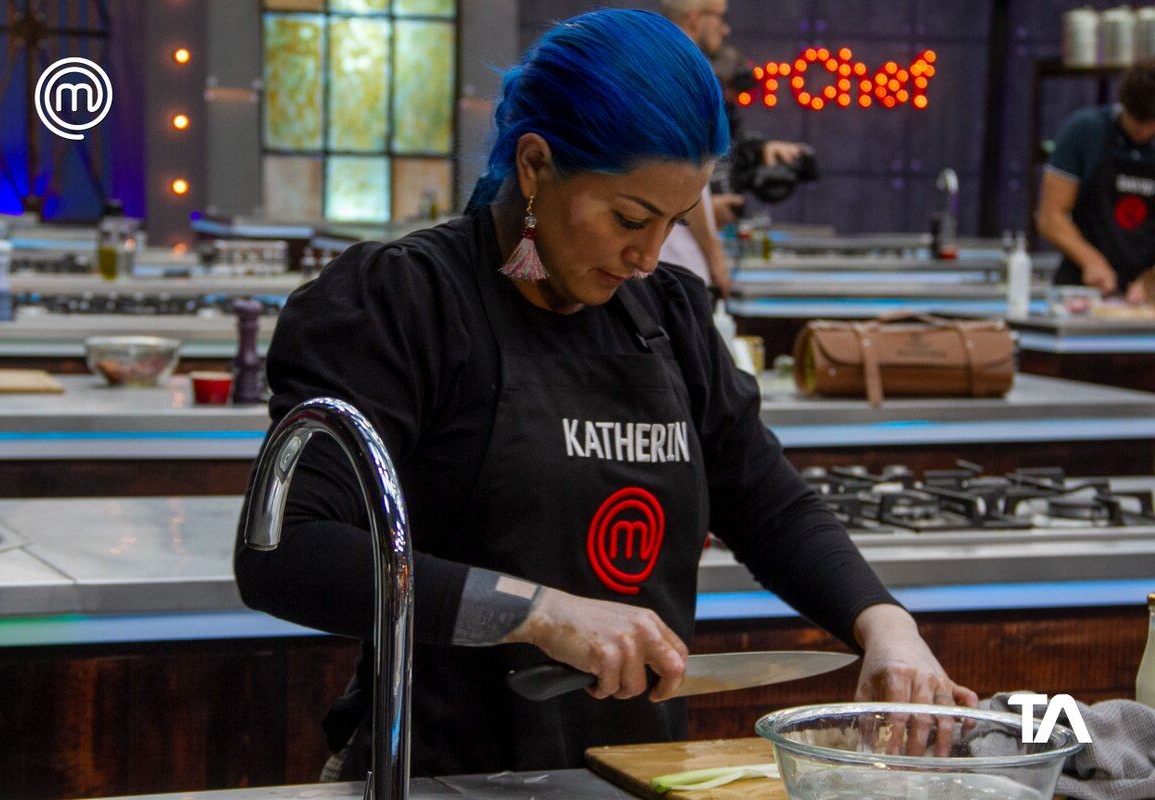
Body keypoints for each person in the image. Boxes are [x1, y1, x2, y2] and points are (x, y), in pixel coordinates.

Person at [235, 9, 975, 781]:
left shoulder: (669, 317)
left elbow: (765, 500)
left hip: (633, 774)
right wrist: (539, 613)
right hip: (439, 775)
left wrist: (883, 624)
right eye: (629, 217)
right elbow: (285, 551)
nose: (648, 256)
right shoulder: (405, 302)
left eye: (672, 223)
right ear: (534, 165)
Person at [658, 0, 805, 297]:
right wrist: (715, 257)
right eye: (720, 18)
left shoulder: (660, 67)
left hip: (667, 265)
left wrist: (710, 210)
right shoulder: (683, 74)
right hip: (676, 271)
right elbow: (684, 171)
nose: (725, 30)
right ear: (694, 19)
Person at [1037, 59, 1155, 302]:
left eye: (1151, 124)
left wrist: (1150, 280)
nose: (1142, 132)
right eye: (1136, 121)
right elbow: (1050, 216)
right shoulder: (1085, 131)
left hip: (1145, 297)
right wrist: (1091, 260)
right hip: (1083, 292)